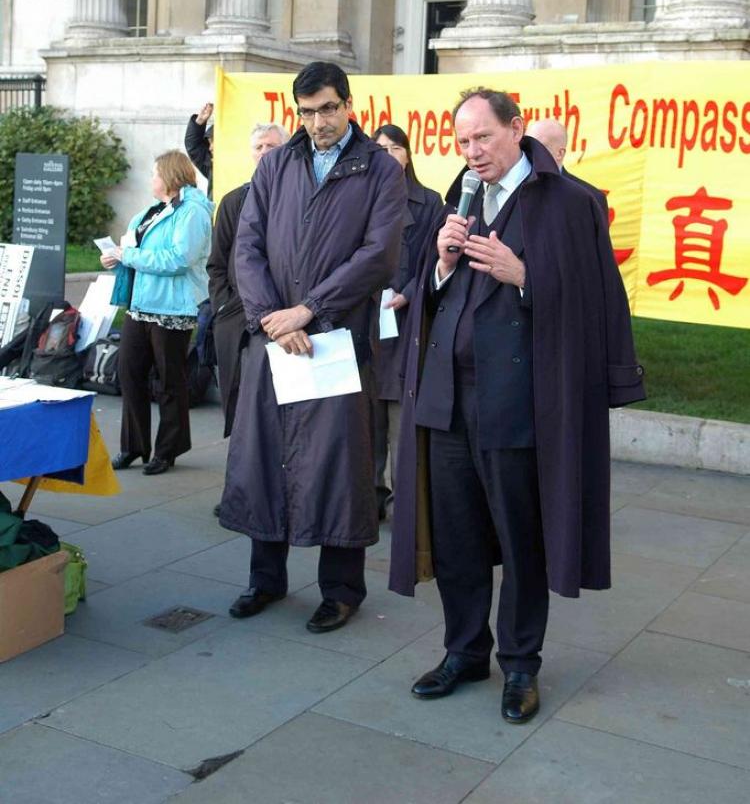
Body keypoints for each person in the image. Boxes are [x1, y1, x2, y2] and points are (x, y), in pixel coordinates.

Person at [389, 88, 644, 724]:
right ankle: (464, 650)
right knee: (456, 538)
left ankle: (521, 665)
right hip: (446, 399)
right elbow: (429, 293)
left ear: (517, 129)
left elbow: (596, 303)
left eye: (483, 138)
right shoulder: (459, 198)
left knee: (521, 537)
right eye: (462, 141)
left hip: (517, 403)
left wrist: (523, 275)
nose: (472, 152)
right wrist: (443, 265)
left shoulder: (571, 203)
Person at [219, 60, 406, 633]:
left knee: (338, 467)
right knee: (264, 459)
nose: (318, 121)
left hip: (337, 343)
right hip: (274, 338)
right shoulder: (276, 164)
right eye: (307, 111)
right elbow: (246, 248)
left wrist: (310, 309)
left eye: (327, 108)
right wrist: (274, 319)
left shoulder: (379, 171)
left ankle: (342, 590)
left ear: (349, 105)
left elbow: (377, 255)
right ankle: (265, 579)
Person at [102, 150, 213, 475]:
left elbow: (179, 258)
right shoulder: (152, 211)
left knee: (169, 382)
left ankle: (168, 450)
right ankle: (133, 446)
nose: (151, 179)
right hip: (140, 306)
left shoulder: (192, 211)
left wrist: (130, 256)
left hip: (172, 309)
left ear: (170, 176)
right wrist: (114, 257)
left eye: (154, 173)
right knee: (130, 375)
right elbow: (130, 247)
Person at [370, 124, 443, 520]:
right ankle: (370, 496)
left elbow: (435, 261)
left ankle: (404, 505)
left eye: (394, 147)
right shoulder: (361, 198)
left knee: (400, 417)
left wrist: (410, 294)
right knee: (368, 418)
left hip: (407, 321)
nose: (387, 154)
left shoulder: (429, 202)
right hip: (368, 319)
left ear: (408, 154)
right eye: (379, 148)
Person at [208, 122, 290, 440]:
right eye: (259, 147)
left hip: (283, 314)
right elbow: (216, 263)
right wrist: (223, 305)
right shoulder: (233, 201)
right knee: (239, 398)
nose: (265, 152)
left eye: (272, 146)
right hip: (236, 314)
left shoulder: (297, 199)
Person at [526, 117, 608, 219]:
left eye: (539, 147)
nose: (529, 151)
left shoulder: (591, 199)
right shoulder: (508, 189)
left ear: (559, 153)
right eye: (527, 145)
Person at [185, 102, 214, 197]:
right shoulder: (212, 166)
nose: (211, 147)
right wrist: (199, 122)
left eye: (214, 142)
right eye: (209, 143)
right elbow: (194, 147)